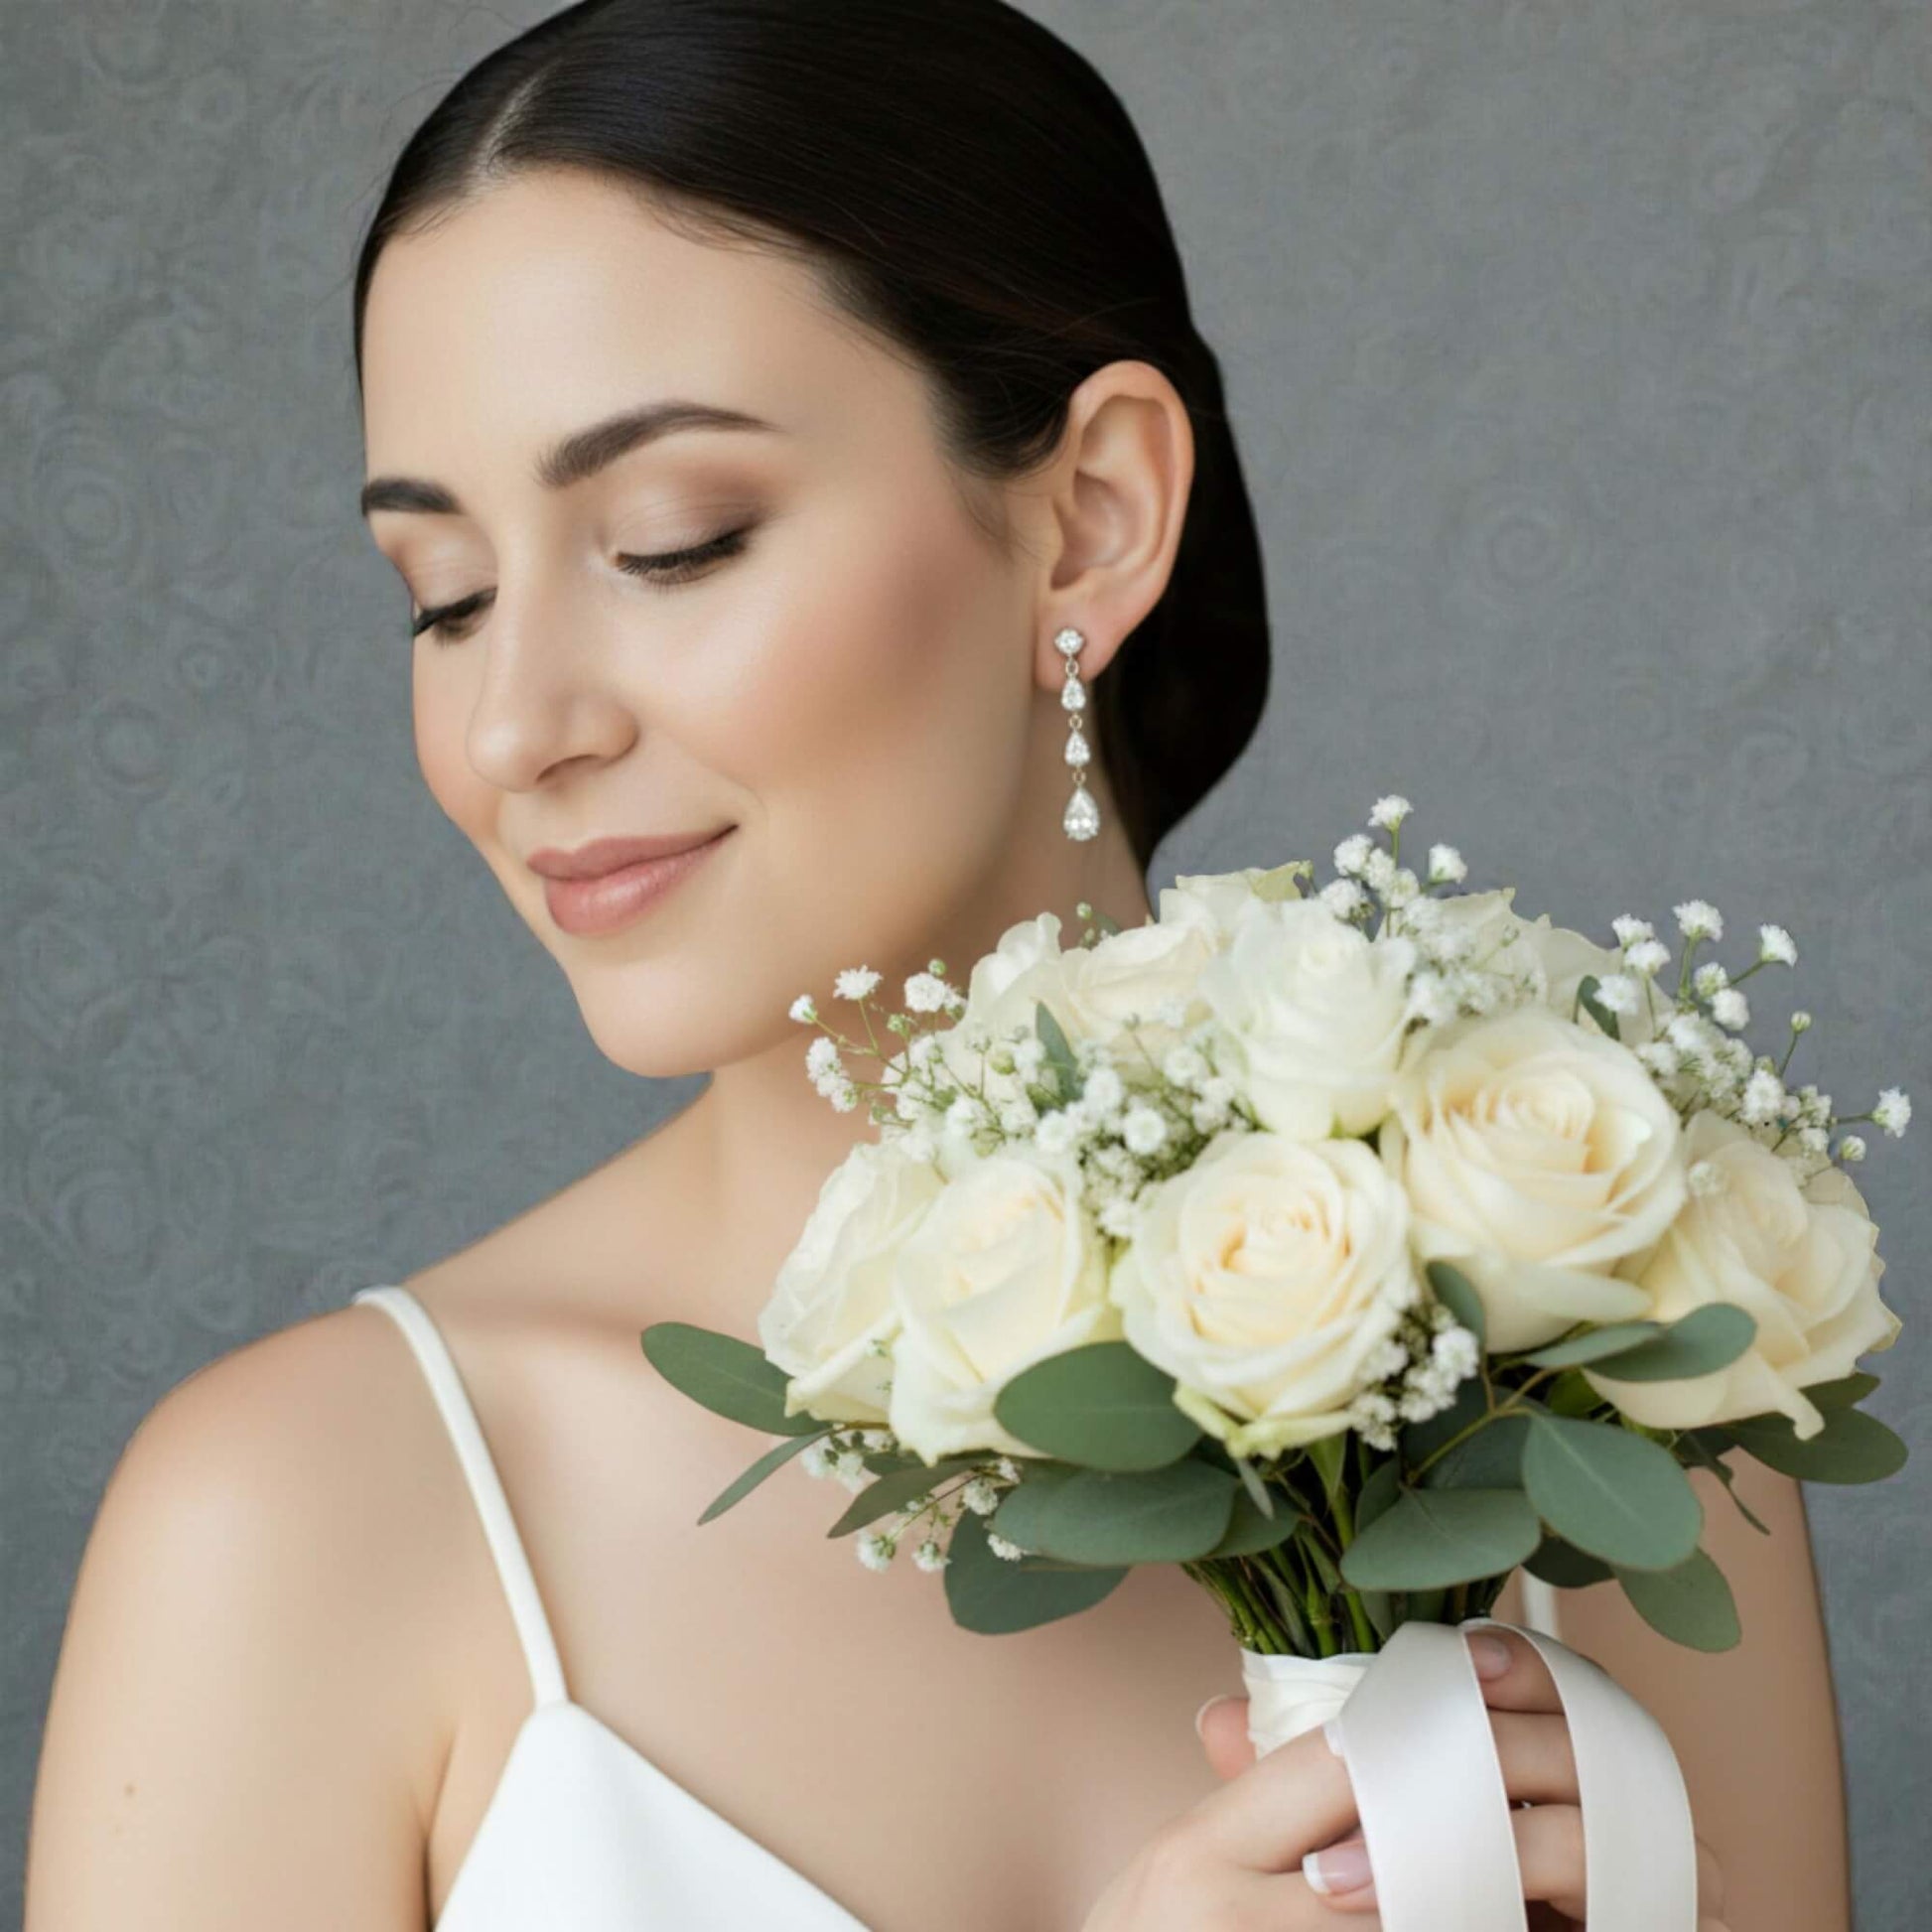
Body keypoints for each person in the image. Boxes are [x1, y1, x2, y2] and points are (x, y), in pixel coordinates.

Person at [26, 3, 1841, 1927]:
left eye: (672, 539)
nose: (511, 726)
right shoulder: (302, 1515)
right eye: (444, 596)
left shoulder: (1603, 1404)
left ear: (1091, 517)